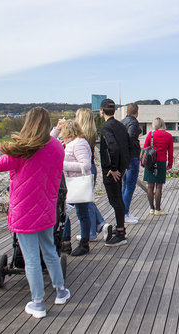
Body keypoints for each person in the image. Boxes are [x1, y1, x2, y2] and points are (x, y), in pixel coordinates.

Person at [0, 107, 69, 319]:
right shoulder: (57, 147)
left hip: (24, 211)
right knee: (49, 251)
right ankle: (61, 291)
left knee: (30, 259)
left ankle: (38, 303)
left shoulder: (22, 149)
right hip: (47, 206)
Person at [55, 120, 93, 257]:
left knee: (81, 213)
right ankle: (67, 242)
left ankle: (83, 243)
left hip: (77, 182)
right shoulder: (75, 143)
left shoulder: (79, 144)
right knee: (65, 212)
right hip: (72, 182)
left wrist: (63, 165)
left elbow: (86, 165)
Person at [74, 108, 109, 242]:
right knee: (87, 200)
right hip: (92, 167)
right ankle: (100, 224)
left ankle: (91, 232)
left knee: (85, 201)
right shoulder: (91, 134)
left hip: (83, 171)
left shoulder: (79, 138)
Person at [99, 98, 130, 246]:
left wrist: (113, 168)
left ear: (102, 111)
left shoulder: (106, 127)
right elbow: (128, 147)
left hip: (112, 172)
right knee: (119, 200)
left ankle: (120, 233)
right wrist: (124, 168)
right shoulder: (121, 126)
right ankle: (121, 229)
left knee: (115, 201)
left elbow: (113, 148)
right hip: (121, 169)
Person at [141, 117, 174, 215]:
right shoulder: (168, 136)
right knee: (159, 187)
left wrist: (142, 163)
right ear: (163, 124)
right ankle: (158, 210)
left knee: (150, 186)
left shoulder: (150, 135)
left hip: (150, 162)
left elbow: (144, 150)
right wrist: (170, 164)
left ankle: (151, 208)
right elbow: (170, 152)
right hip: (161, 162)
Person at [121, 103, 142, 224]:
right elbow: (130, 137)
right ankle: (125, 213)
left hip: (124, 158)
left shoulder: (122, 121)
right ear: (136, 112)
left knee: (125, 186)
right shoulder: (133, 123)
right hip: (132, 157)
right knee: (130, 185)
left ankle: (124, 212)